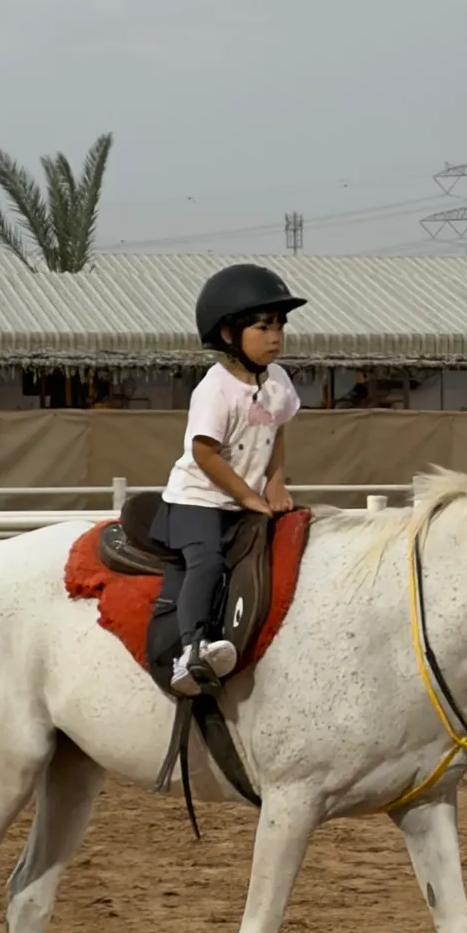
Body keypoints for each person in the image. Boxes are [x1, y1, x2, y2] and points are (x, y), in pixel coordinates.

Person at [153, 265, 305, 695]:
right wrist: (247, 496)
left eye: (279, 326)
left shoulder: (278, 381)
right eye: (262, 327)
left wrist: (275, 482)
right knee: (206, 561)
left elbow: (277, 431)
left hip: (244, 497)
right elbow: (204, 453)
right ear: (227, 333)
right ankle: (191, 651)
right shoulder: (215, 390)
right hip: (198, 499)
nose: (275, 337)